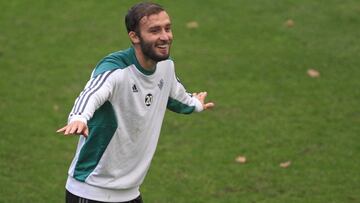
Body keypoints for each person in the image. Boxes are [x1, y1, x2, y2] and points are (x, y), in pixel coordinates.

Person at [57, 2, 214, 203]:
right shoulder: (115, 69)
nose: (165, 36)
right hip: (91, 191)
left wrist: (196, 104)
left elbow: (175, 95)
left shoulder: (166, 66)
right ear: (135, 36)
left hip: (131, 193)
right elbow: (92, 93)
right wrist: (78, 117)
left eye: (167, 28)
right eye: (155, 30)